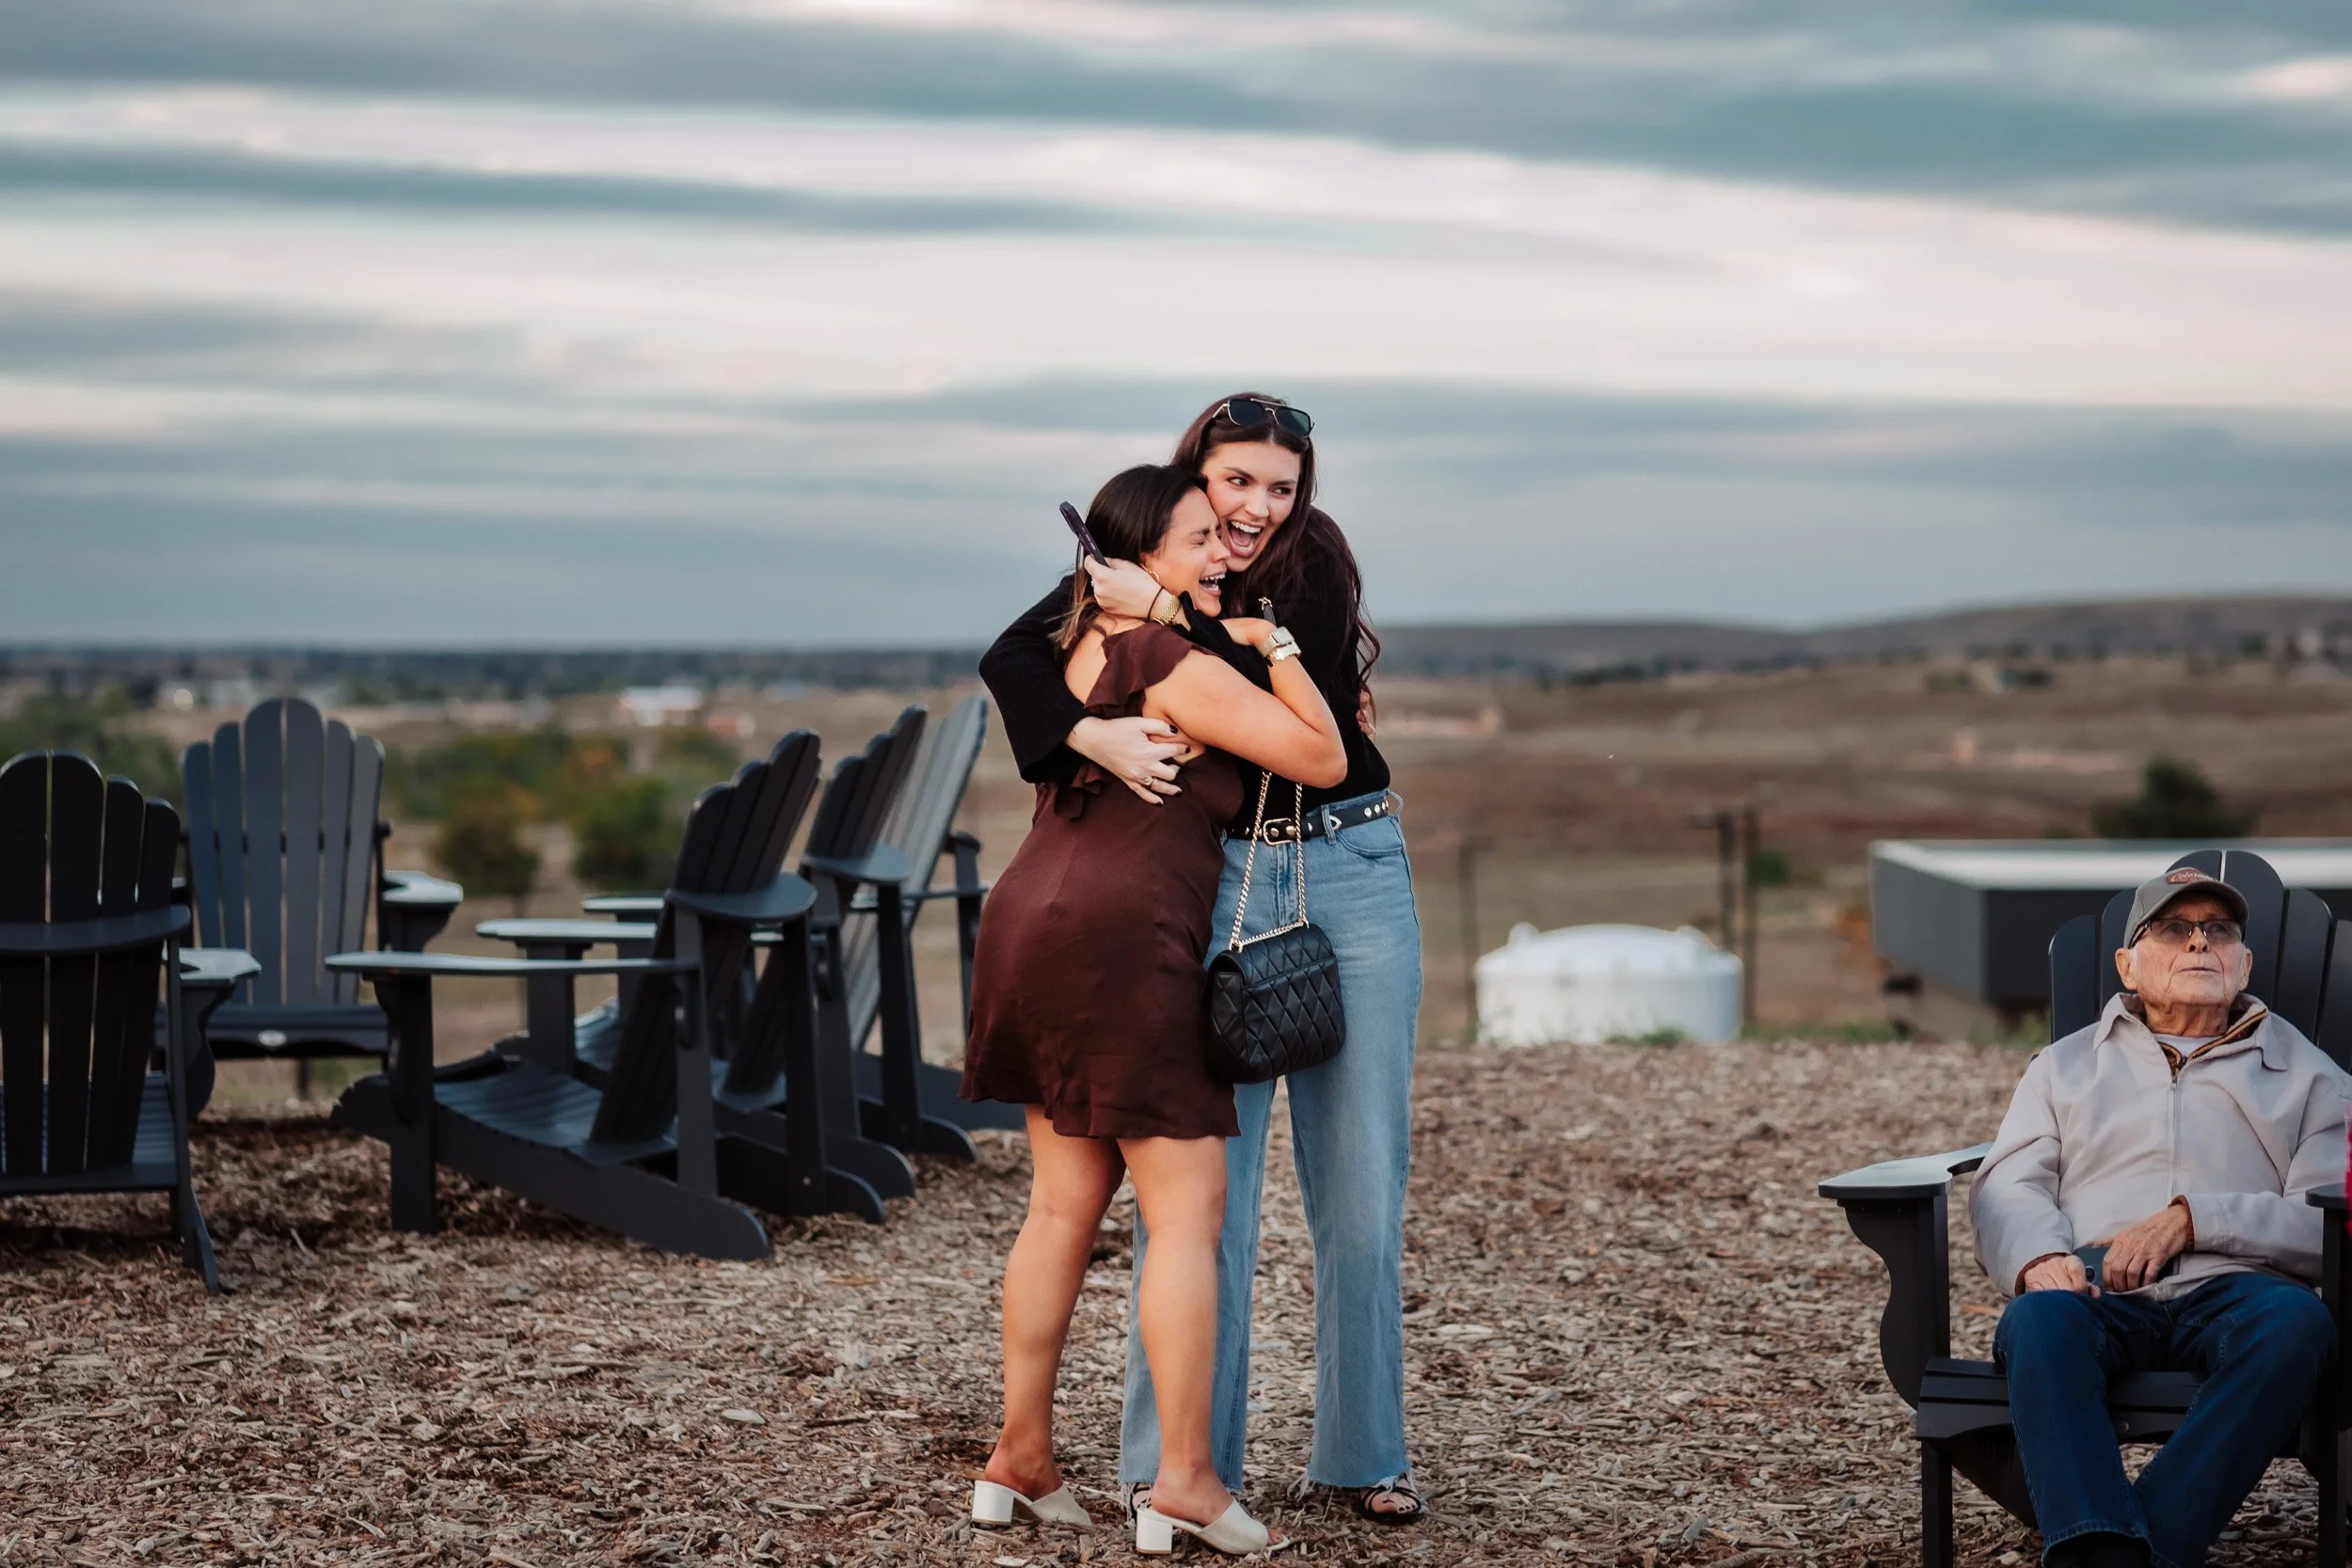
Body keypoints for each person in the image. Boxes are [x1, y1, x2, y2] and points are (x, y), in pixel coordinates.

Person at [978, 393, 1427, 1525]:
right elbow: (1012, 655)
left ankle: (1363, 1454)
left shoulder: (1303, 560)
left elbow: (1303, 708)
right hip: (1215, 873)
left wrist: (1158, 611)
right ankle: (1173, 1468)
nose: (1254, 507)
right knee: (1199, 1197)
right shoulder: (1158, 550)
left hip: (1345, 858)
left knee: (1360, 1182)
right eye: (1236, 481)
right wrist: (1088, 725)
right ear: (1196, 473)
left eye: (1279, 486)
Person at [1971, 867, 2349, 1568]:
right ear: (2127, 963)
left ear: (2244, 962)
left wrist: (2194, 1219)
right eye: (2174, 928)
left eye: (2219, 930)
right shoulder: (2065, 1067)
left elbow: (2326, 1217)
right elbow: (2007, 1183)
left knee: (2301, 1324)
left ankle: (2115, 1555)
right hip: (2095, 1284)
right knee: (2036, 1320)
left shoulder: (2314, 1077)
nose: (2200, 942)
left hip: (2244, 1289)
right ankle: (2116, 1550)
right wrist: (2034, 1257)